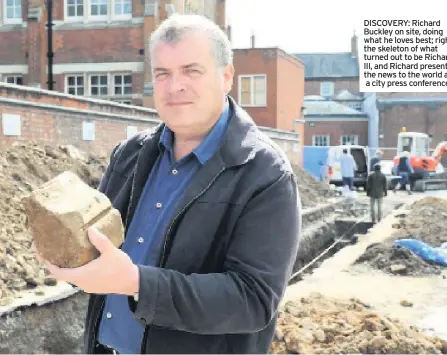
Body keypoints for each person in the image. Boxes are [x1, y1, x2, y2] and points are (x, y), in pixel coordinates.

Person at [36, 14, 301, 354]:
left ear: (226, 76)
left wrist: (137, 283)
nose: (175, 86)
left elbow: (253, 300)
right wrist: (64, 250)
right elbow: (98, 245)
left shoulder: (265, 174)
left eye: (191, 71)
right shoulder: (129, 155)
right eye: (163, 73)